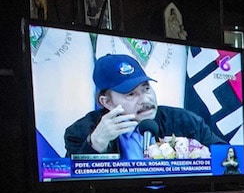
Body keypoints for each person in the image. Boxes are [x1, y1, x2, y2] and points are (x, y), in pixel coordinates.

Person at [64, 54, 225, 159]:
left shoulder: (185, 122)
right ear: (107, 102)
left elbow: (229, 158)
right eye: (131, 94)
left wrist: (199, 154)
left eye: (146, 88)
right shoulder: (81, 132)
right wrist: (96, 144)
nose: (145, 99)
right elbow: (71, 188)